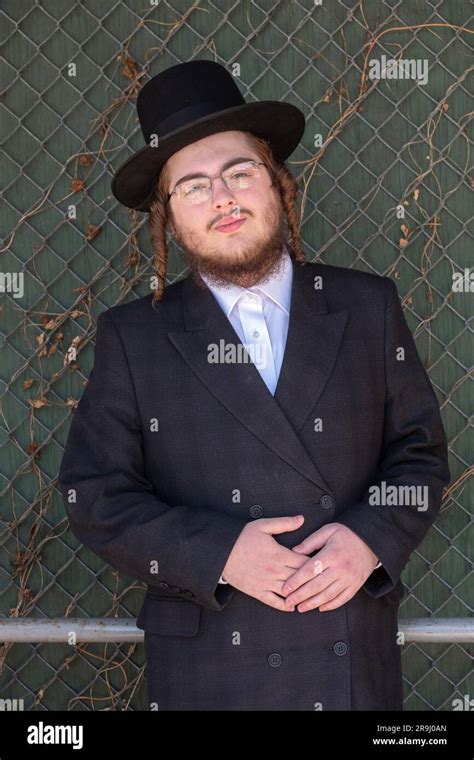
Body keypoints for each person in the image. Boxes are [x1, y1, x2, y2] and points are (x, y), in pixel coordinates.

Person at [58, 60, 451, 711]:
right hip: (207, 665)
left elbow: (420, 453)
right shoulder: (133, 337)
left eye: (240, 172)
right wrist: (221, 554)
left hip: (346, 650)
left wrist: (369, 540)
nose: (223, 198)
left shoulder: (367, 307)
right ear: (169, 218)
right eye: (193, 186)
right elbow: (95, 496)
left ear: (277, 183)